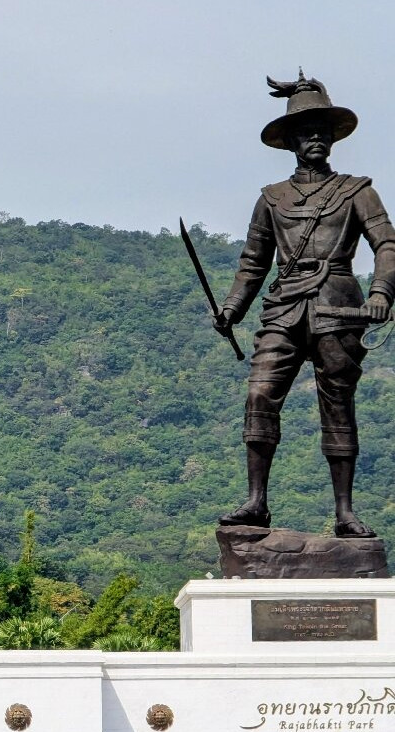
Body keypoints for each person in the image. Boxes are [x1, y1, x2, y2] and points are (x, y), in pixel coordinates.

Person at [214, 71, 395, 537]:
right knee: (258, 395)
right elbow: (253, 262)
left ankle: (344, 513)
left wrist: (380, 293)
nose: (316, 137)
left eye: (323, 130)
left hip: (338, 307)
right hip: (283, 308)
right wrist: (232, 308)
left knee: (337, 405)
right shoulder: (271, 199)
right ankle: (255, 502)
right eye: (306, 131)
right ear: (292, 140)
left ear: (333, 139)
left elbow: (387, 245)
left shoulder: (357, 191)